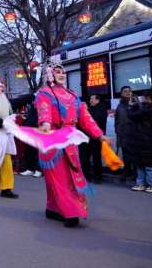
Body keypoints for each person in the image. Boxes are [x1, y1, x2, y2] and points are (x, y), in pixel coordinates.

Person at [35, 61, 112, 228]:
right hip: (53, 140)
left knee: (70, 177)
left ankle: (53, 208)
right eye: (57, 72)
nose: (62, 75)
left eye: (63, 72)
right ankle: (70, 211)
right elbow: (44, 111)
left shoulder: (72, 95)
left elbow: (85, 118)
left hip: (70, 142)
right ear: (50, 75)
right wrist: (46, 123)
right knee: (58, 179)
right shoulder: (44, 94)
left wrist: (99, 135)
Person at [125, 89, 152, 193]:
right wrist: (135, 106)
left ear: (148, 98)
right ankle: (140, 183)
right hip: (140, 137)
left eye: (143, 97)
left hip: (146, 138)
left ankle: (151, 184)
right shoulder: (149, 107)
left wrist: (130, 106)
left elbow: (133, 115)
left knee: (149, 163)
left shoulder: (150, 108)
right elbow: (137, 115)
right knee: (139, 161)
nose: (141, 99)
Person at [80, 94, 108, 183]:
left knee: (96, 158)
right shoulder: (87, 108)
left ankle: (97, 177)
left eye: (92, 99)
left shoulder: (102, 109)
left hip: (96, 138)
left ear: (98, 100)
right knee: (84, 158)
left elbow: (96, 119)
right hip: (85, 138)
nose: (90, 100)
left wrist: (87, 110)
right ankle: (85, 176)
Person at [115, 86, 135, 179]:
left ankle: (135, 173)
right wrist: (117, 129)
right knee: (125, 153)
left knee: (133, 154)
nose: (127, 92)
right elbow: (116, 118)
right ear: (122, 94)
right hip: (122, 133)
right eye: (125, 91)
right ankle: (126, 171)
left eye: (129, 91)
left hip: (132, 132)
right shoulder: (120, 105)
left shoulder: (135, 103)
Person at [19, 104, 43, 178]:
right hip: (30, 131)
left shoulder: (43, 106)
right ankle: (30, 168)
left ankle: (39, 169)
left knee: (38, 151)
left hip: (39, 131)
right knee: (28, 151)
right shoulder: (31, 107)